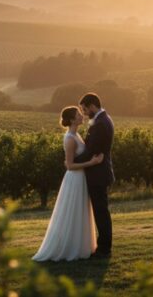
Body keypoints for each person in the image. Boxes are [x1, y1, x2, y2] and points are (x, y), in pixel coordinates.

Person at [32, 106, 103, 262]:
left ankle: (80, 246)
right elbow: (69, 165)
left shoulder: (77, 134)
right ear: (72, 119)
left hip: (81, 178)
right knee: (73, 211)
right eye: (78, 114)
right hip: (75, 179)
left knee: (79, 212)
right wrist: (92, 162)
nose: (82, 116)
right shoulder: (70, 138)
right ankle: (70, 248)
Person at [73, 92, 115, 258]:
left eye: (84, 109)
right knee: (101, 211)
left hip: (98, 173)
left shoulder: (99, 124)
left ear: (92, 106)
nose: (83, 113)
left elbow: (91, 151)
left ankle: (104, 249)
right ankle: (103, 246)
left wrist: (72, 161)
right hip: (100, 172)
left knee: (101, 212)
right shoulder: (104, 119)